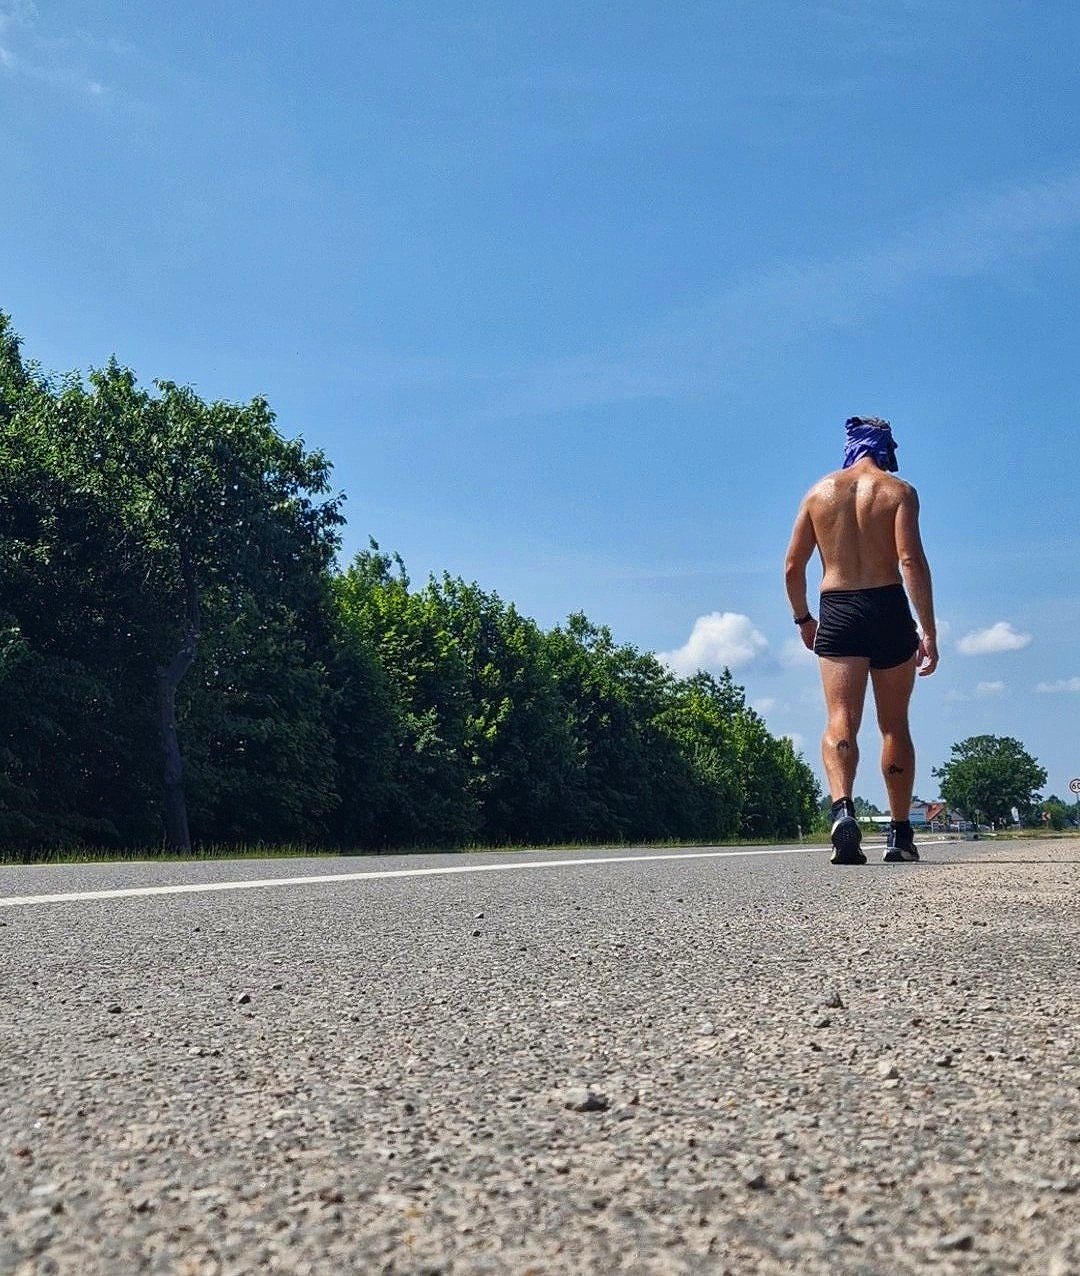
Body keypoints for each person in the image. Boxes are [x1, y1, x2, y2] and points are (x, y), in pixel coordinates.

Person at [784, 416, 939, 865]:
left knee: (840, 718)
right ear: (887, 449)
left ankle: (843, 809)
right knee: (893, 725)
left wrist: (803, 619)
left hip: (838, 608)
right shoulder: (898, 492)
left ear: (849, 448)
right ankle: (898, 834)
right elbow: (910, 561)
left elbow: (793, 567)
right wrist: (927, 629)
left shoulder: (818, 493)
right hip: (889, 606)